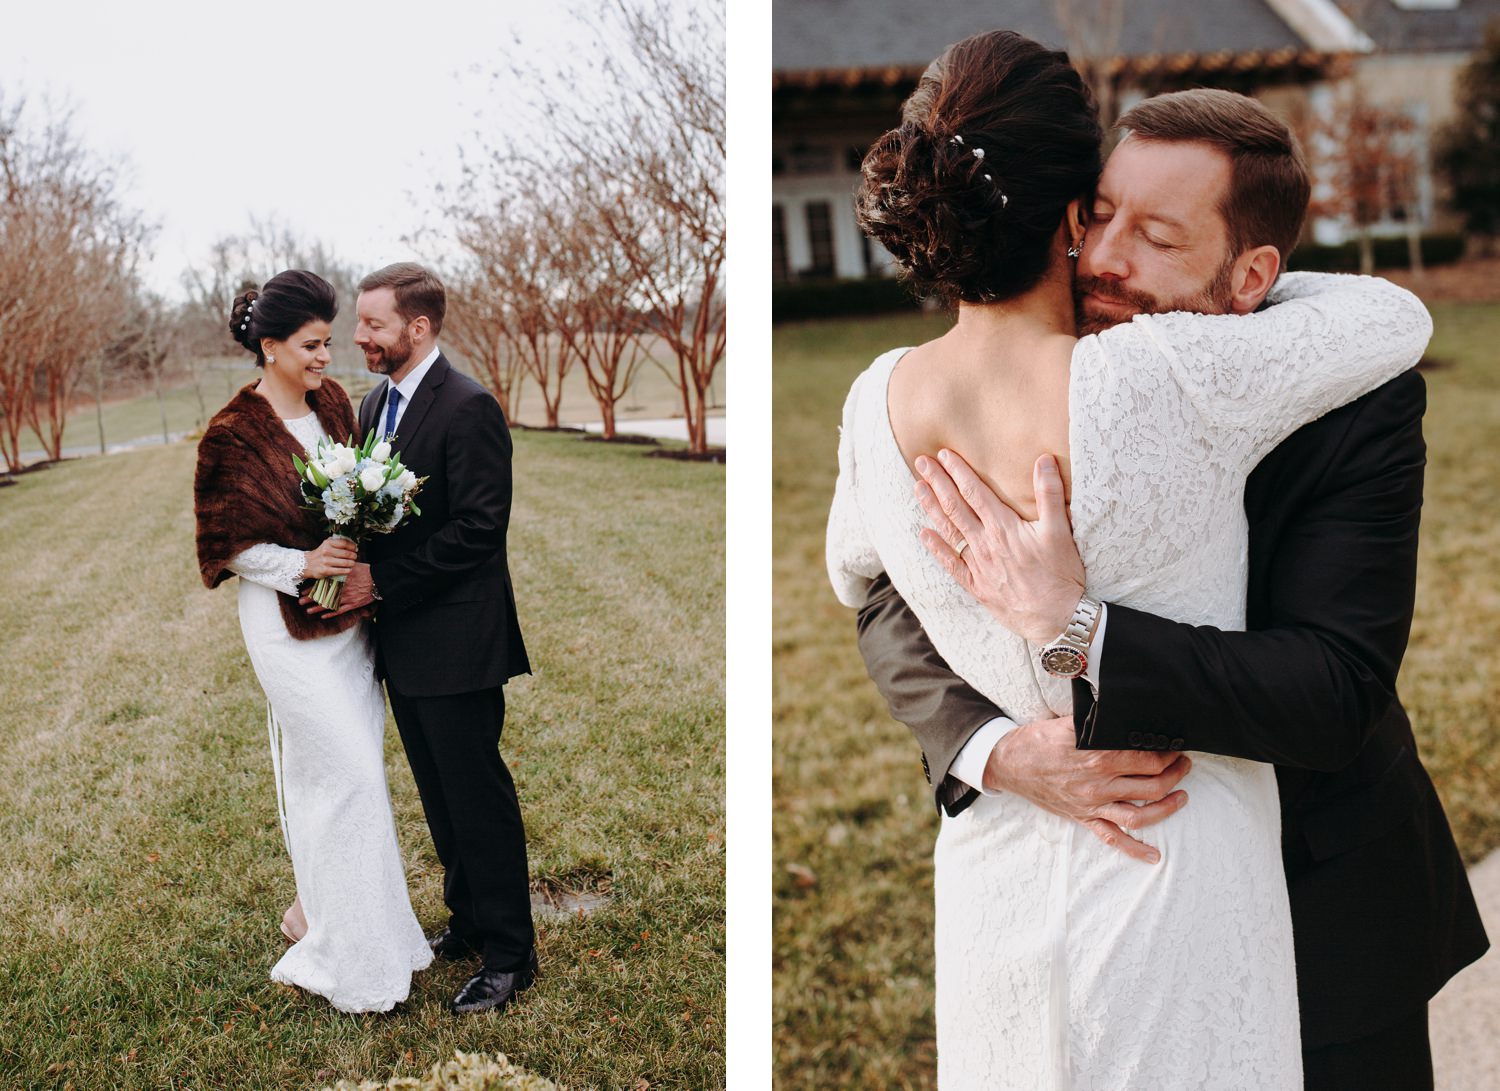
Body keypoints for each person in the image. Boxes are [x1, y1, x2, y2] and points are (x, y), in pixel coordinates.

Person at [826, 32, 1440, 1089]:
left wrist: (1077, 628)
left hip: (1323, 892)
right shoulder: (1162, 373)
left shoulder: (883, 392)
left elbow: (1337, 686)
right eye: (1101, 214)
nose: (1108, 258)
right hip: (1060, 847)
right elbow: (882, 597)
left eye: (1155, 234)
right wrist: (992, 750)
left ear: (1255, 274)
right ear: (1066, 211)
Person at [193, 269, 433, 1014]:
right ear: (269, 346)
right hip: (286, 631)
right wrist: (303, 564)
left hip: (344, 625)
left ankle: (339, 922)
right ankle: (347, 956)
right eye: (311, 344)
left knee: (336, 783)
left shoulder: (333, 405)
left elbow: (361, 487)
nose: (328, 357)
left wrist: (360, 533)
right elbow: (224, 545)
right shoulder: (231, 434)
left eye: (329, 342)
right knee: (350, 773)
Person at [305, 262, 536, 1015]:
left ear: (418, 327)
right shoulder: (376, 408)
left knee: (477, 798)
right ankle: (468, 923)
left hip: (461, 642)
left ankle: (510, 954)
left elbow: (479, 530)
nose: (359, 337)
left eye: (372, 324)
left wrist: (384, 583)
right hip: (401, 643)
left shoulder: (469, 406)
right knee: (439, 798)